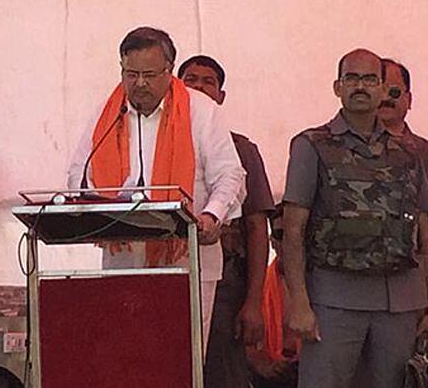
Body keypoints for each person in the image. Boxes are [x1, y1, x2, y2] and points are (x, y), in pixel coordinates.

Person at [67, 27, 245, 349]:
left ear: (169, 70)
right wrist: (91, 202)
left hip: (187, 259)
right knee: (126, 357)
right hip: (123, 259)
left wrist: (211, 216)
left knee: (180, 359)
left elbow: (230, 175)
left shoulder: (201, 110)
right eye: (131, 74)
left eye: (149, 75)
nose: (140, 83)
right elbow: (79, 173)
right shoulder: (107, 113)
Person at [281, 48, 428, 388]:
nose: (360, 86)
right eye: (351, 78)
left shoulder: (409, 152)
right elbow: (293, 229)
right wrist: (299, 303)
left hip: (400, 302)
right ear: (337, 87)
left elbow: (424, 234)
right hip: (333, 300)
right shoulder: (312, 145)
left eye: (369, 79)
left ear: (384, 89)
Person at [178, 55, 275, 387]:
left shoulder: (241, 149)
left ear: (221, 96)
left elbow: (257, 227)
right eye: (191, 80)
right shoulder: (155, 143)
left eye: (209, 82)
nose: (199, 87)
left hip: (225, 285)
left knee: (221, 374)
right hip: (167, 277)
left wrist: (253, 302)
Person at [378, 59, 428, 252]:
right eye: (379, 90)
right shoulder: (334, 149)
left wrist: (415, 266)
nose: (386, 98)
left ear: (409, 100)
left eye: (394, 92)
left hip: (410, 266)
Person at [247, 203, 299, 388]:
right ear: (272, 241)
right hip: (268, 378)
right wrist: (262, 365)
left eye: (296, 232)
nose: (288, 241)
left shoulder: (325, 287)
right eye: (280, 234)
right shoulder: (255, 287)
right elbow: (243, 340)